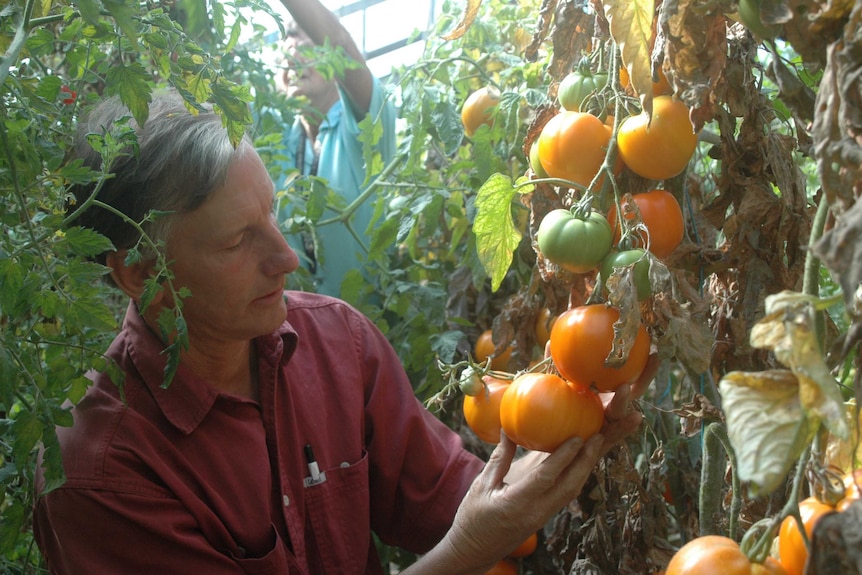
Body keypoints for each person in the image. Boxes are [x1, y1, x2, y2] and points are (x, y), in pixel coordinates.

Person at [33, 90, 652, 574]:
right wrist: (470, 548)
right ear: (141, 273)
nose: (286, 258)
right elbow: (467, 536)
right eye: (235, 240)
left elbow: (448, 499)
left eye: (270, 214)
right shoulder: (99, 470)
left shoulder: (336, 343)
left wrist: (569, 420)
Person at [274, 0, 397, 298]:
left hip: (365, 328)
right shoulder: (275, 143)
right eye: (286, 40)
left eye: (307, 41)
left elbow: (338, 42)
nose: (293, 51)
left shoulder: (367, 123)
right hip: (293, 330)